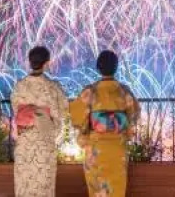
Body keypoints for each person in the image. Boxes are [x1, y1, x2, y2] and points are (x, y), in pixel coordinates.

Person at [70, 50, 141, 197]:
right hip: (117, 148)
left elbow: (77, 117)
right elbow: (134, 115)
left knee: (97, 189)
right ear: (116, 67)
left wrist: (86, 130)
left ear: (98, 67)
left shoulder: (90, 92)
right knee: (116, 189)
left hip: (96, 149)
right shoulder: (124, 91)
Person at [11, 46, 69, 197]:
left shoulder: (19, 86)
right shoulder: (53, 87)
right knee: (44, 186)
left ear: (30, 62)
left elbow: (16, 111)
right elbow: (63, 112)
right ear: (47, 63)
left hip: (24, 143)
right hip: (44, 143)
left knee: (24, 185)